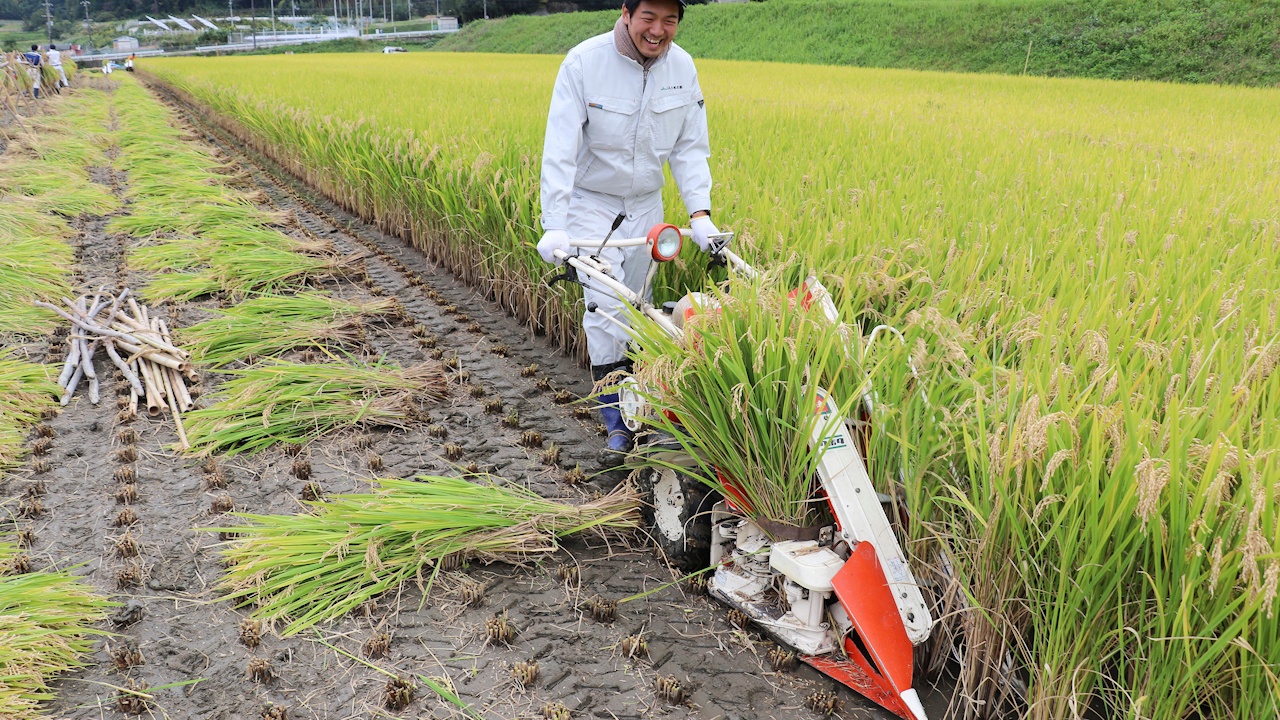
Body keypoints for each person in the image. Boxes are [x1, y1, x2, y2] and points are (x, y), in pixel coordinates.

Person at [536, 0, 722, 465]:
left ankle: (645, 408)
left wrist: (700, 214)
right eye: (649, 18)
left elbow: (690, 147)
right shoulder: (584, 63)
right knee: (605, 307)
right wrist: (554, 225)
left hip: (646, 208)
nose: (659, 31)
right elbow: (560, 147)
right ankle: (617, 428)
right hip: (591, 205)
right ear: (625, 12)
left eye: (670, 20)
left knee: (639, 310)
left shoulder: (682, 67)